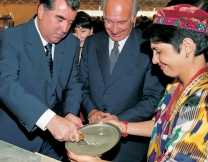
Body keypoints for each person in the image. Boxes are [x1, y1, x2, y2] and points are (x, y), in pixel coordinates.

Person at [68, 4, 208, 162]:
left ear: (187, 47)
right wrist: (122, 126)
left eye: (159, 51)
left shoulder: (201, 101)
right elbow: (161, 126)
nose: (154, 60)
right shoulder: (175, 86)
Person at [0, 0, 83, 161]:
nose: (65, 29)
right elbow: (5, 84)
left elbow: (73, 83)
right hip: (16, 139)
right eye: (60, 19)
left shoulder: (72, 43)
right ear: (41, 11)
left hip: (55, 145)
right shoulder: (11, 38)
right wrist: (51, 121)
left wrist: (69, 113)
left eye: (70, 22)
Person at [79, 0, 165, 161]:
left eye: (122, 22)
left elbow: (153, 98)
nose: (114, 29)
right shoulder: (91, 43)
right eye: (109, 21)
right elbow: (82, 86)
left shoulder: (149, 47)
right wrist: (91, 111)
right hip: (92, 138)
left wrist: (120, 120)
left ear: (135, 18)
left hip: (129, 145)